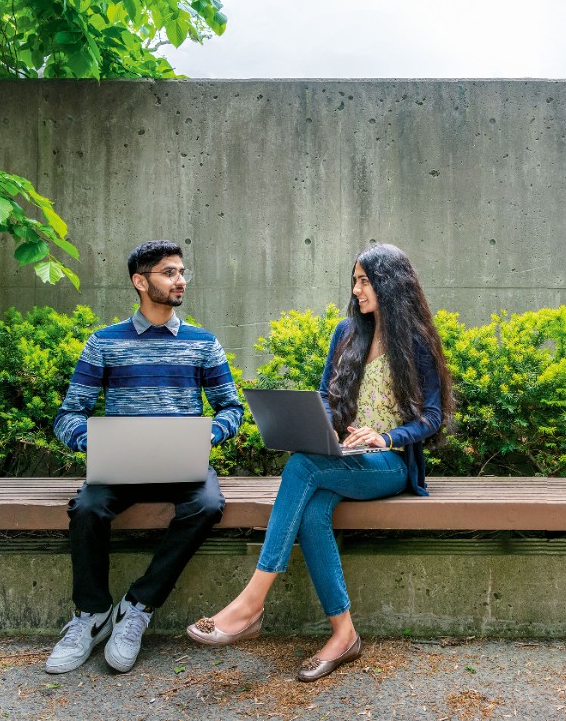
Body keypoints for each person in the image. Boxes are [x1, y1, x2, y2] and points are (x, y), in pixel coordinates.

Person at [186, 243, 454, 682]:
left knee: (301, 467)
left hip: (388, 464)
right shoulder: (346, 332)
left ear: (390, 284)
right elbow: (327, 397)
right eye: (354, 280)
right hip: (343, 457)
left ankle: (251, 602)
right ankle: (343, 633)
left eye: (364, 280)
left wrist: (385, 435)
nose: (356, 289)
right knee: (312, 512)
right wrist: (327, 431)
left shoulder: (417, 342)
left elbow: (432, 417)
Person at [45, 240, 243, 674]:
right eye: (169, 272)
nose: (180, 280)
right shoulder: (104, 343)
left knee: (207, 506)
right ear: (140, 281)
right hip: (120, 466)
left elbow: (233, 408)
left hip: (183, 465)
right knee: (87, 509)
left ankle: (138, 605)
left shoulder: (203, 343)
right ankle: (92, 614)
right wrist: (92, 443)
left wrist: (211, 432)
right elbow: (68, 414)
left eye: (182, 272)